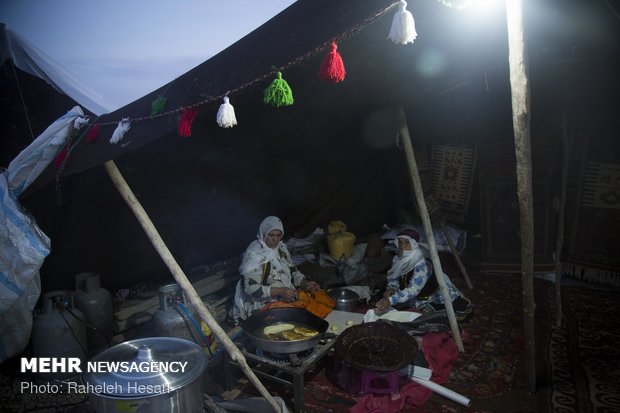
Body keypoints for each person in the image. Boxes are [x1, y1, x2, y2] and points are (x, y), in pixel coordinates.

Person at [231, 216, 321, 323]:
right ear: (263, 234)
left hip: (286, 296)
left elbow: (292, 271)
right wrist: (280, 292)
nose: (275, 239)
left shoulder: (281, 249)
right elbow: (250, 288)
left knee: (317, 302)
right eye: (271, 235)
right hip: (262, 303)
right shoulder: (255, 253)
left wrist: (305, 283)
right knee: (293, 319)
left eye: (278, 235)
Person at [375, 228, 471, 321]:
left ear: (414, 244)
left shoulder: (422, 262)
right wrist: (392, 288)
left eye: (406, 242)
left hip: (432, 296)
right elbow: (394, 278)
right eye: (400, 242)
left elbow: (414, 289)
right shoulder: (398, 259)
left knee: (426, 317)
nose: (402, 246)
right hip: (414, 295)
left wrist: (391, 300)